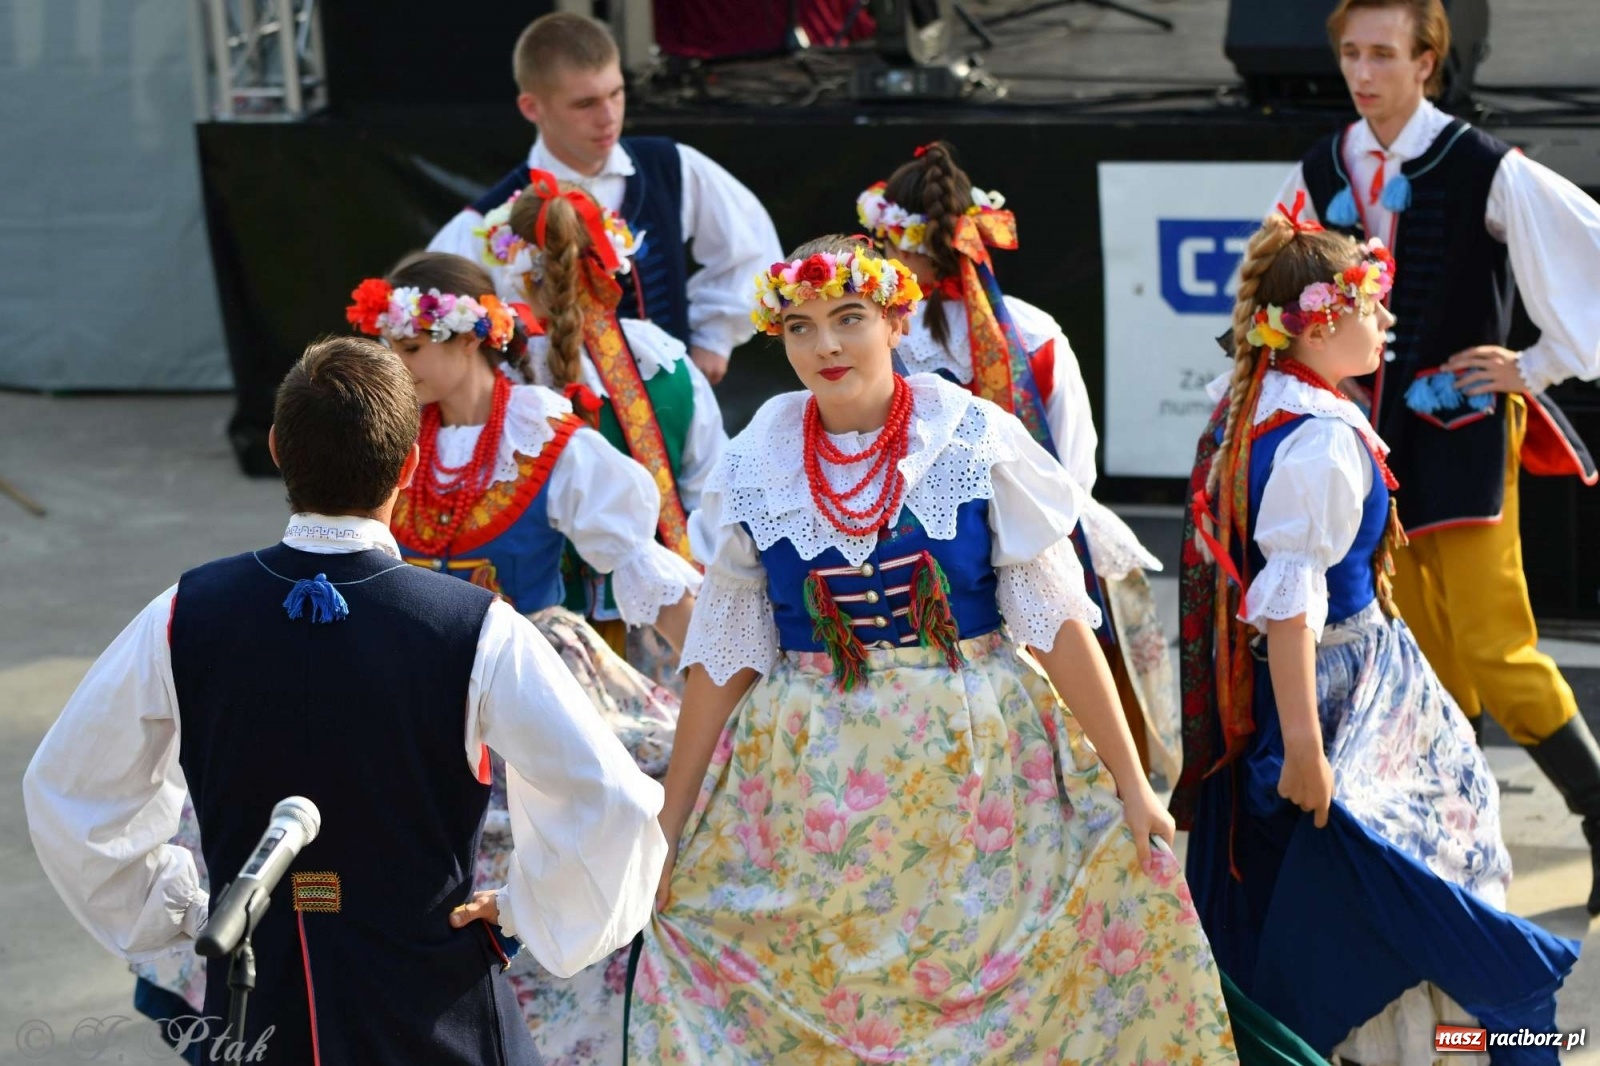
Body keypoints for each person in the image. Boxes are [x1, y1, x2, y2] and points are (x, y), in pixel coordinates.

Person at [628, 236, 1237, 1064]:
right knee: (828, 996)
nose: (826, 345)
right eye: (801, 327)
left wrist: (1135, 787)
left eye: (849, 318)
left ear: (895, 320)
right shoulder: (756, 461)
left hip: (979, 768)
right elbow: (724, 656)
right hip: (807, 782)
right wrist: (670, 825)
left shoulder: (971, 438)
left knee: (993, 996)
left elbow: (1059, 626)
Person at [24, 337, 667, 1065]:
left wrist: (178, 909)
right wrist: (527, 910)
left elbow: (70, 789)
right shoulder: (476, 627)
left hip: (259, 1001)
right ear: (410, 465)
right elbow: (612, 800)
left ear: (276, 448)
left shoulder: (184, 611)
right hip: (431, 1013)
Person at [1178, 204, 1579, 1064]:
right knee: (1411, 877)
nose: (1387, 320)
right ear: (1320, 325)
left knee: (1399, 866)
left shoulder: (1256, 404)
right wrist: (1306, 749)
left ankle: (1408, 1041)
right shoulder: (1321, 443)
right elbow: (1292, 608)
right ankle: (1420, 1045)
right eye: (1371, 305)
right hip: (1342, 686)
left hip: (1338, 677)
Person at [1272, 0, 1600, 916]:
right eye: (1350, 53)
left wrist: (1534, 364)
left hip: (1461, 434)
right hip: (1367, 445)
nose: (1362, 72)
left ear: (1427, 62)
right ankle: (1463, 853)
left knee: (1495, 646)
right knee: (1417, 652)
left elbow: (1588, 252)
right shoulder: (1322, 168)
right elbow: (1271, 290)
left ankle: (1598, 810)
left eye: (1383, 53)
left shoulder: (1482, 164)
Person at [857, 140, 1180, 783]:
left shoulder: (869, 338)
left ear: (888, 237)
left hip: (904, 576)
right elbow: (1073, 476)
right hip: (1038, 563)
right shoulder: (1033, 333)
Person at [429, 11, 782, 385]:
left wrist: (714, 338)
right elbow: (430, 328)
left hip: (667, 403)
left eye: (616, 93)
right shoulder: (483, 222)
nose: (609, 117)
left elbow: (751, 244)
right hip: (553, 412)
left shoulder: (670, 166)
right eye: (585, 104)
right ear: (532, 107)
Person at [485, 172, 725, 681]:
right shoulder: (666, 365)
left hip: (536, 637)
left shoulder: (498, 378)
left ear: (517, 272)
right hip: (667, 622)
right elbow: (713, 497)